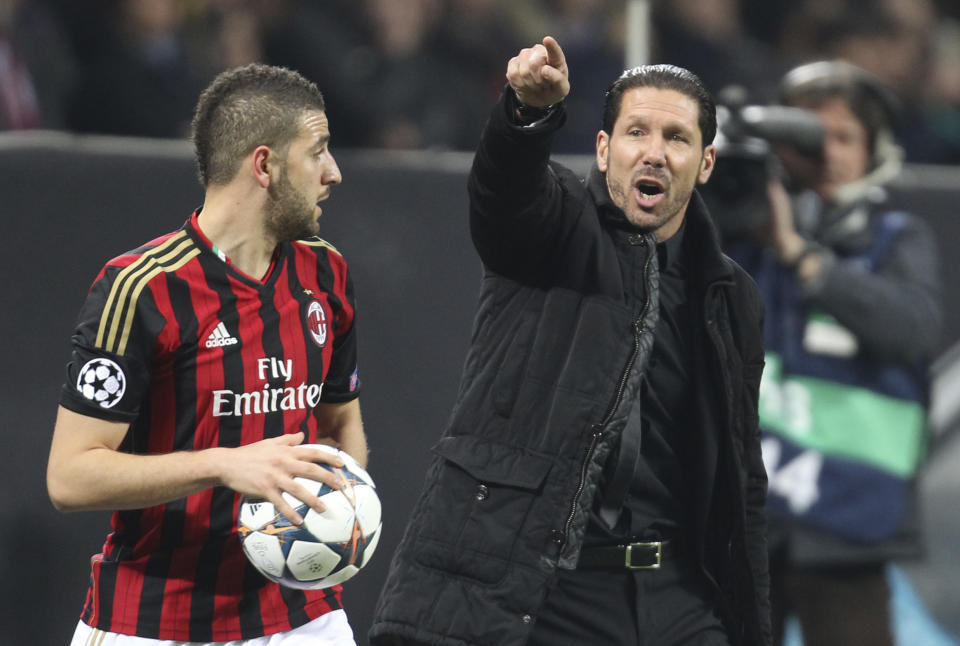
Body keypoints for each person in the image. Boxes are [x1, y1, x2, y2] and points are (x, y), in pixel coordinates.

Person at [369, 36, 771, 646]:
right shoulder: (554, 229)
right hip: (548, 591)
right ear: (604, 150)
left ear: (706, 163)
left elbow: (740, 473)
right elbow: (503, 192)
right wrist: (527, 115)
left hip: (676, 597)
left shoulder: (731, 293)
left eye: (677, 138)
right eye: (637, 133)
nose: (655, 154)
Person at [46, 63, 367, 646]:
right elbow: (70, 477)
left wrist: (341, 519)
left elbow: (341, 423)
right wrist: (223, 464)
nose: (334, 173)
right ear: (264, 165)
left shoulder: (325, 270)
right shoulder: (142, 288)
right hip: (158, 619)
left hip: (303, 616)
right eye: (318, 151)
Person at [722, 61, 942, 646]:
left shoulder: (896, 239)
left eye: (843, 137)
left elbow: (913, 330)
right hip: (749, 522)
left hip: (849, 522)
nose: (824, 152)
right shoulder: (741, 236)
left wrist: (799, 252)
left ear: (877, 150)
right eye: (808, 137)